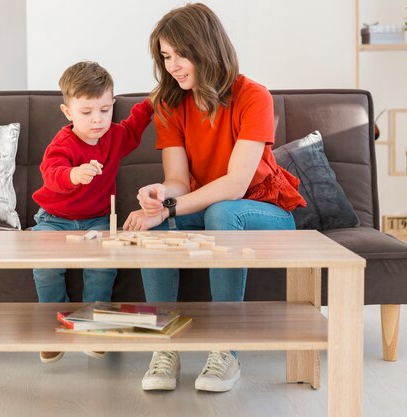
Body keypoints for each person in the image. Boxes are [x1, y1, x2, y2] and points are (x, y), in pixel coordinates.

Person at [122, 3, 306, 392]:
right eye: (165, 56)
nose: (172, 65)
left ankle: (226, 349)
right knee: (155, 230)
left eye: (180, 54)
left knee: (223, 212)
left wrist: (168, 209)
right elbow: (178, 182)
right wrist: (160, 196)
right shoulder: (170, 104)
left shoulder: (254, 96)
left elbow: (236, 185)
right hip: (210, 207)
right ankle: (163, 346)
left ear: (206, 47)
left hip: (264, 211)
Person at [32, 61, 153, 363]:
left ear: (113, 105)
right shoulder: (63, 143)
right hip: (54, 219)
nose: (97, 120)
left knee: (102, 267)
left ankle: (93, 324)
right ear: (68, 112)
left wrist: (155, 100)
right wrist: (75, 175)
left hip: (98, 219)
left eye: (104, 110)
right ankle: (54, 326)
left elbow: (136, 123)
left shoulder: (114, 136)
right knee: (45, 268)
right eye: (86, 113)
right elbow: (53, 173)